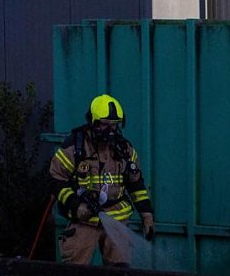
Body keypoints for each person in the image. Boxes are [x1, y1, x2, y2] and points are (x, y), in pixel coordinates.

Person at [49, 94, 154, 266]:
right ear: (93, 122)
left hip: (117, 221)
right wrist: (76, 205)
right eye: (105, 124)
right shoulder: (75, 147)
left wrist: (147, 214)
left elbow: (136, 184)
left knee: (119, 273)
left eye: (114, 125)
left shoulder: (125, 150)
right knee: (75, 271)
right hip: (84, 221)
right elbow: (56, 180)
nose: (110, 130)